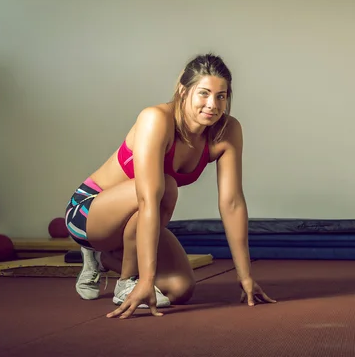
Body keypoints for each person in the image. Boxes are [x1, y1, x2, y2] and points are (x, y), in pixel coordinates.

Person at [64, 53, 276, 319]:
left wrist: (245, 276)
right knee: (165, 186)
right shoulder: (156, 119)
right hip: (88, 212)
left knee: (180, 290)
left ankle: (105, 259)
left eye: (221, 96)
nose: (212, 104)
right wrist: (144, 280)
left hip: (138, 217)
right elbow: (148, 200)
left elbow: (232, 203)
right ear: (183, 91)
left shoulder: (227, 131)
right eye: (204, 93)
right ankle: (125, 280)